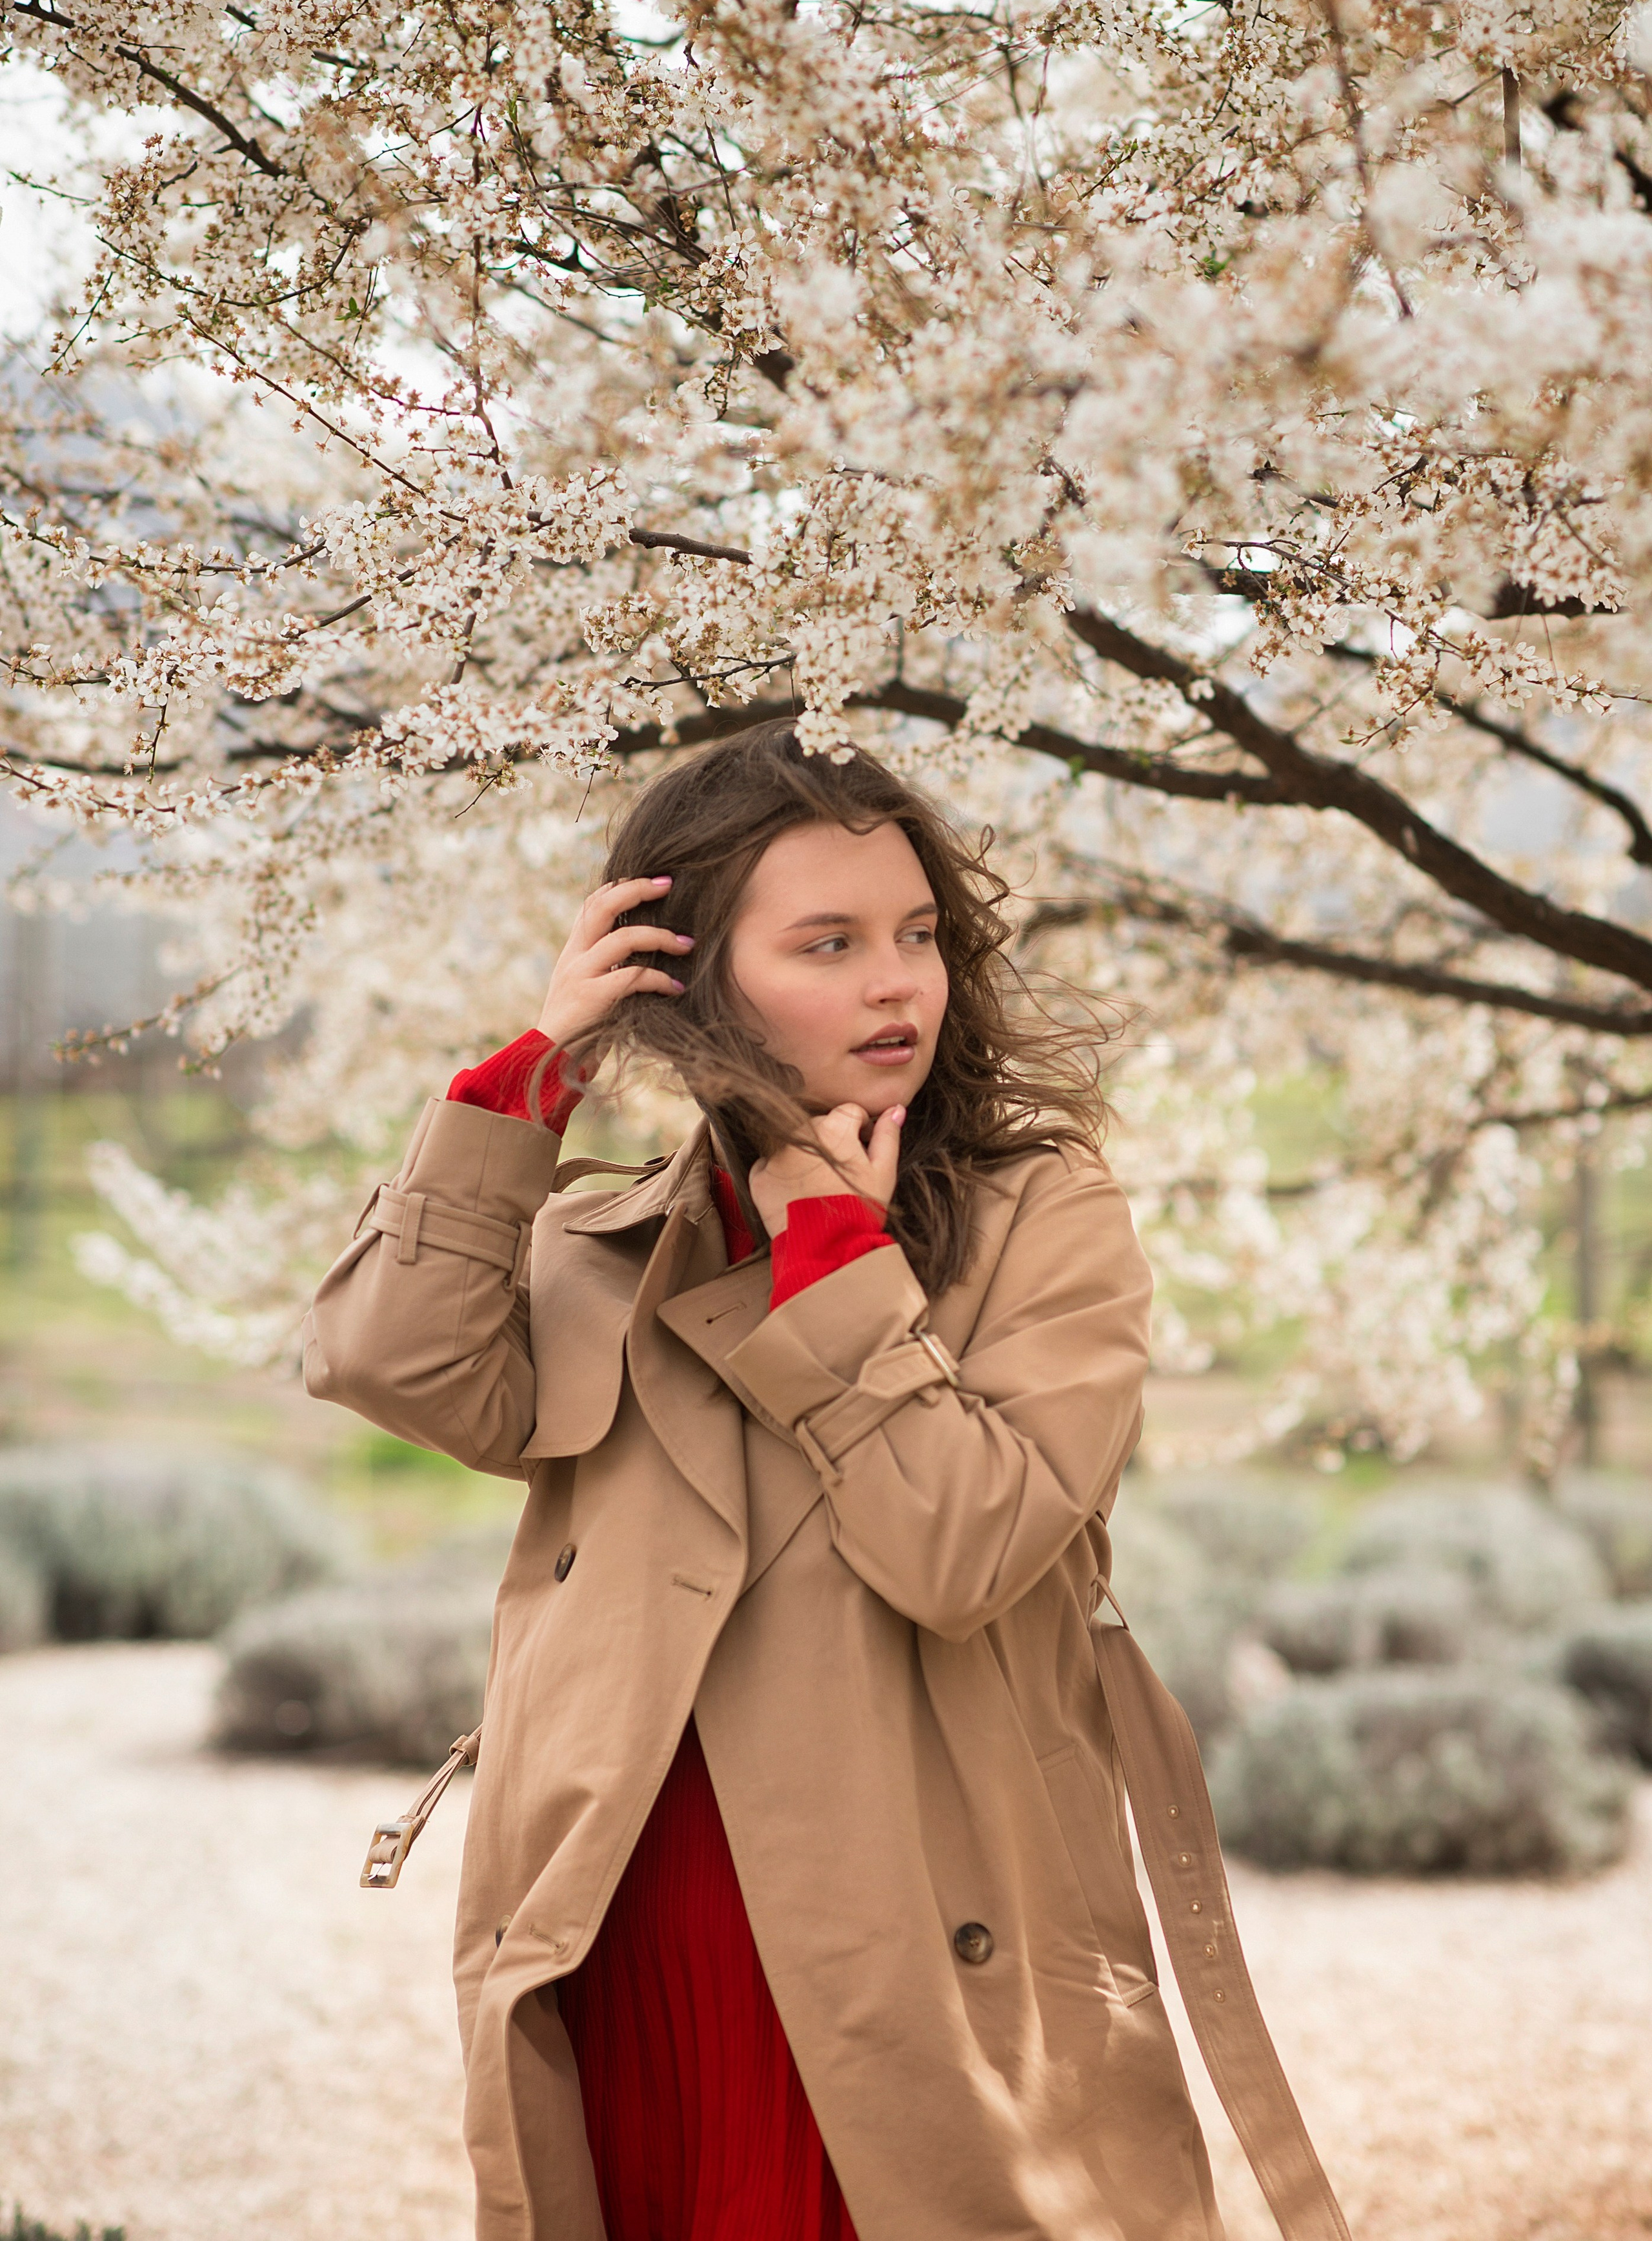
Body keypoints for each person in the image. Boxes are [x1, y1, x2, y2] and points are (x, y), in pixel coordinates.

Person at [303, 721, 1227, 2241]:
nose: (894, 982)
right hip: (622, 1926)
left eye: (918, 934)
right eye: (829, 940)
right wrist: (527, 1084)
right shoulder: (613, 1238)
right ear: (691, 975)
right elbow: (393, 1366)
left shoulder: (1038, 1222)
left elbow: (959, 1544)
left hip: (917, 1946)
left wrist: (837, 1260)